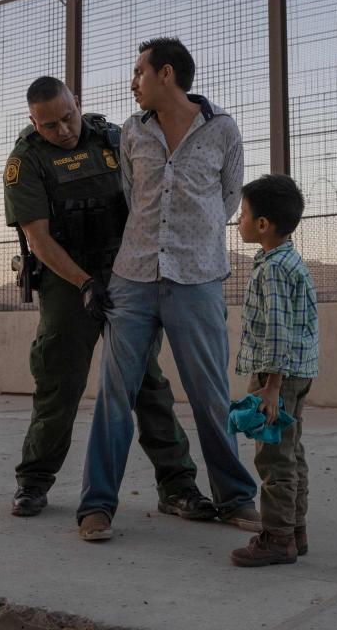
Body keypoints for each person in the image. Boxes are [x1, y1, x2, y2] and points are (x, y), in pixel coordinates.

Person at [3, 75, 214, 521]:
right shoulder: (26, 160)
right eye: (49, 126)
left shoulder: (114, 139)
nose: (63, 130)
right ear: (33, 122)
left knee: (147, 384)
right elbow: (39, 239)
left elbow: (148, 202)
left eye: (68, 117)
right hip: (67, 282)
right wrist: (84, 284)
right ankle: (33, 482)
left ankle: (178, 487)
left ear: (77, 102)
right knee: (60, 384)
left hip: (125, 275)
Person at [76, 37, 260, 542]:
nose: (132, 82)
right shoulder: (133, 132)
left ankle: (235, 497)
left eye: (139, 71)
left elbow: (226, 200)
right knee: (115, 395)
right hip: (133, 277)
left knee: (210, 394)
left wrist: (189, 241)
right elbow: (133, 195)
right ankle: (97, 505)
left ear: (167, 74)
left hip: (197, 279)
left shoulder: (223, 129)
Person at [227, 174, 319, 567]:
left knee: (273, 456)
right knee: (290, 450)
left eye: (243, 214)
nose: (239, 221)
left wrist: (271, 386)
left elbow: (278, 332)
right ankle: (295, 531)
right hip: (297, 371)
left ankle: (277, 539)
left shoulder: (273, 270)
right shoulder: (288, 260)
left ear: (263, 224)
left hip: (276, 375)